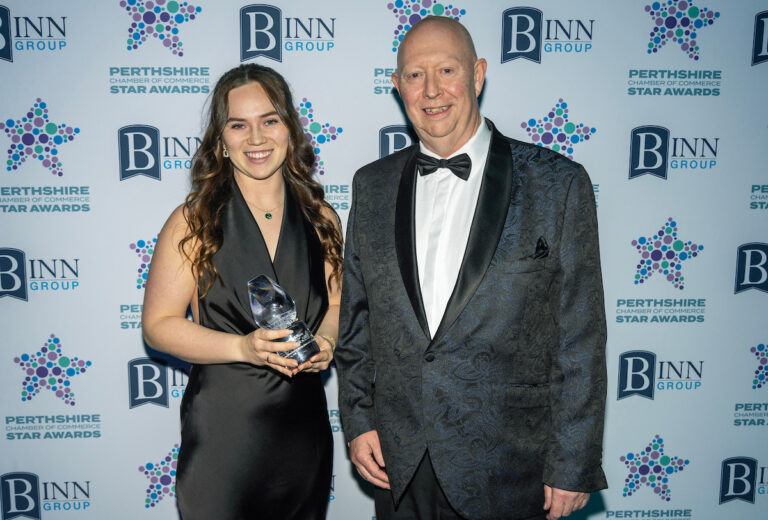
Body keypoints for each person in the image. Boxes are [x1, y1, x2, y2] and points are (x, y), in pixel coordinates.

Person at [335, 16, 607, 520]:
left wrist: (573, 462)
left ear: (478, 75)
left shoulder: (557, 184)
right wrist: (358, 419)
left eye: (447, 70)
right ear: (397, 86)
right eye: (415, 75)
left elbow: (580, 337)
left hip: (510, 465)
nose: (431, 90)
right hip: (402, 462)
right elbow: (357, 322)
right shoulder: (370, 186)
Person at [141, 64, 343, 520]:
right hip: (225, 436)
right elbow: (158, 326)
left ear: (289, 128)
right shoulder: (193, 221)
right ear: (221, 139)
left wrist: (327, 341)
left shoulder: (322, 218)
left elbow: (334, 304)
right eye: (239, 124)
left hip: (302, 434)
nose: (256, 137)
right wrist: (242, 347)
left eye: (269, 120)